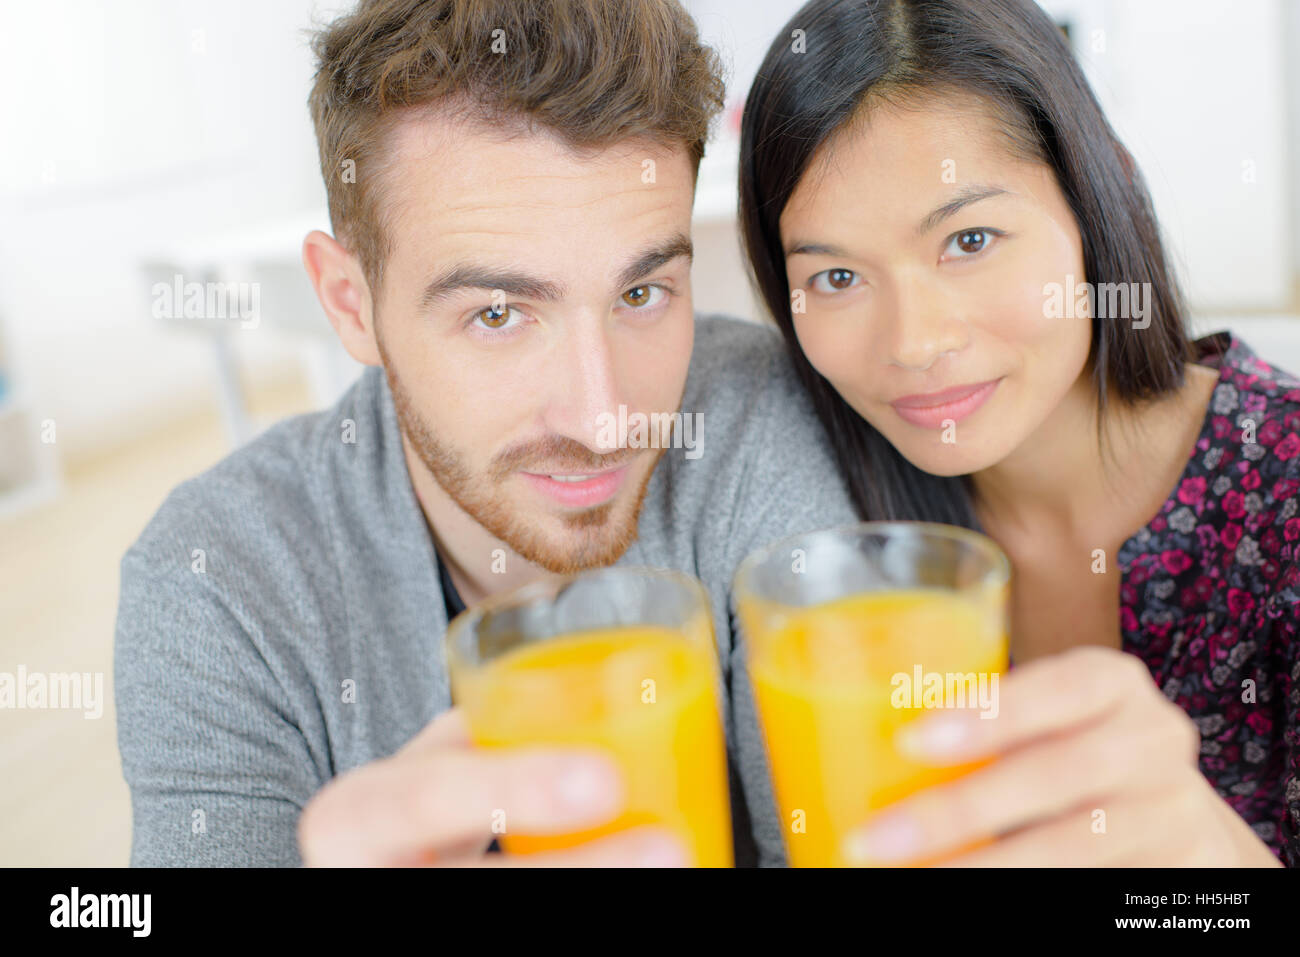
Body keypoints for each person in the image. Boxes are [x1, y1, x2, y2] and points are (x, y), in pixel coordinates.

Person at [113, 0, 858, 868]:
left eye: (641, 293)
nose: (604, 417)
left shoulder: (754, 415)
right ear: (350, 304)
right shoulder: (218, 584)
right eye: (498, 312)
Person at [738, 0, 1297, 865]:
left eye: (970, 238)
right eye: (838, 275)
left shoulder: (1283, 495)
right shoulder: (816, 520)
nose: (916, 344)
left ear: (1095, 199)